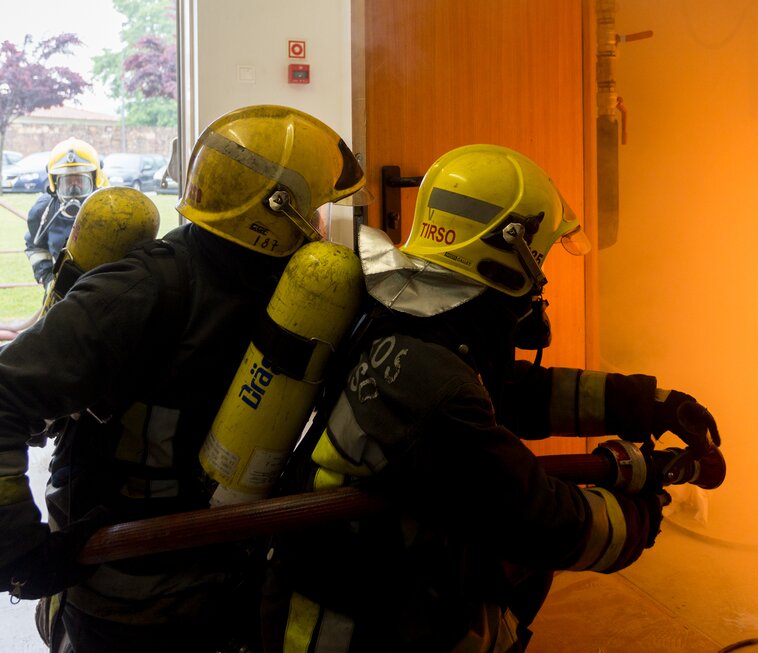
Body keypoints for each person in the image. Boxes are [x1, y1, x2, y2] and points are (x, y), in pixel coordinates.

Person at [261, 144, 721, 652]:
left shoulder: (411, 316)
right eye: (540, 256)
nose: (540, 279)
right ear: (513, 254)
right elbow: (536, 519)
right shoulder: (432, 385)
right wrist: (639, 517)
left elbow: (514, 392)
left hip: (376, 571)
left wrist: (647, 404)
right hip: (356, 627)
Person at [0, 104, 369, 653]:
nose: (319, 225)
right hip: (127, 595)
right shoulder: (141, 292)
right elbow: (5, 396)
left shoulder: (295, 295)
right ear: (276, 211)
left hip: (227, 575)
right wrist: (18, 545)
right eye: (313, 208)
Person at [24, 138, 108, 294]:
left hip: (104, 291)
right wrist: (48, 279)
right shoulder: (43, 211)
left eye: (80, 182)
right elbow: (36, 247)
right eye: (68, 182)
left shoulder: (112, 210)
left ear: (94, 181)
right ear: (55, 184)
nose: (74, 189)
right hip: (62, 292)